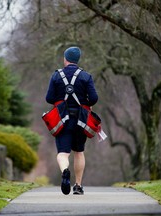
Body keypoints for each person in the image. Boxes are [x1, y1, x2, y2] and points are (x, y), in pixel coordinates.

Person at [45, 46, 98, 195]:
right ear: (77, 60)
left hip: (62, 120)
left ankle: (65, 171)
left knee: (63, 153)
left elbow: (49, 98)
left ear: (65, 59)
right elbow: (94, 98)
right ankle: (78, 186)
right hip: (81, 120)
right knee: (79, 152)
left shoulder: (56, 76)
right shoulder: (86, 76)